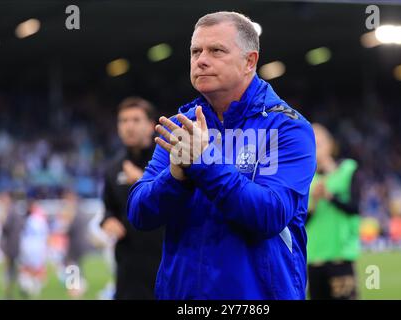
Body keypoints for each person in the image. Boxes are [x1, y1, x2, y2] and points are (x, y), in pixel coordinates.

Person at [127, 11, 316, 299]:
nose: (201, 60)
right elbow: (139, 213)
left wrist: (203, 162)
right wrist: (176, 176)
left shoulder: (287, 127)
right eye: (195, 51)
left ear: (249, 62)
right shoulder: (182, 124)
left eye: (216, 50)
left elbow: (269, 214)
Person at [101, 96, 164, 299]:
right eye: (123, 121)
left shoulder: (168, 162)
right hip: (128, 267)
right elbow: (108, 207)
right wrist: (108, 220)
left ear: (151, 125)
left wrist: (144, 182)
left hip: (163, 263)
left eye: (136, 120)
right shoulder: (113, 167)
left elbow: (181, 203)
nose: (129, 126)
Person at [306, 123, 362, 300]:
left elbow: (354, 208)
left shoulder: (347, 170)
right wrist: (314, 201)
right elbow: (299, 222)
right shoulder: (306, 179)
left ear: (330, 145)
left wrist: (330, 197)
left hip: (340, 257)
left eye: (319, 143)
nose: (316, 148)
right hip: (314, 258)